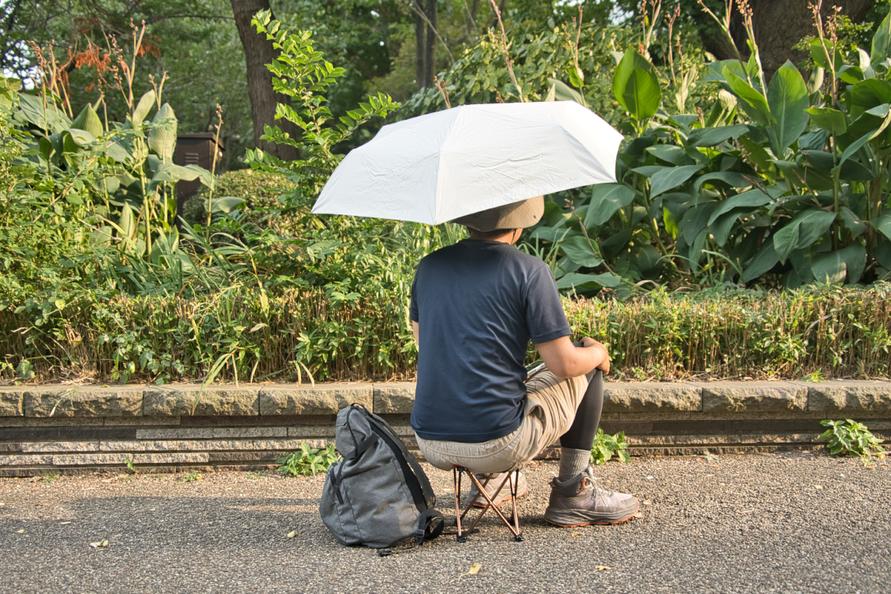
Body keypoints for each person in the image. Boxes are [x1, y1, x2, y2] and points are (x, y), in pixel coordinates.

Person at [408, 195, 639, 527]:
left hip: (431, 442)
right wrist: (598, 353)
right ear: (520, 222)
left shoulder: (429, 266)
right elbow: (564, 364)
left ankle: (490, 481)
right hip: (498, 442)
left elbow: (425, 343)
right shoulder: (528, 271)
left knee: (504, 377)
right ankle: (573, 492)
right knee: (586, 368)